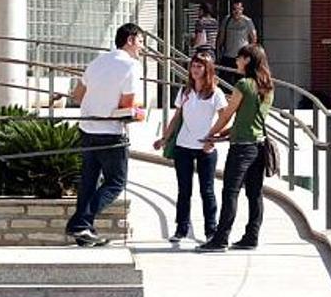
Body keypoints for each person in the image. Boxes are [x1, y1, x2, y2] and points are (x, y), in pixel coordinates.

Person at [65, 23, 143, 247]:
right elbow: (127, 104)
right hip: (111, 132)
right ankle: (81, 222)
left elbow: (78, 95)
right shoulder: (131, 66)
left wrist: (97, 104)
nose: (141, 47)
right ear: (129, 40)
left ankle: (85, 233)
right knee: (116, 183)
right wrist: (135, 112)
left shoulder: (98, 61)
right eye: (140, 41)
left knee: (89, 181)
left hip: (88, 128)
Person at [196, 44, 274, 252]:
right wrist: (227, 132)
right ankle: (251, 236)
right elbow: (251, 120)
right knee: (255, 193)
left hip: (241, 149)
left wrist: (210, 134)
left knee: (230, 191)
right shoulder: (267, 87)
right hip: (258, 145)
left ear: (248, 59)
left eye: (239, 58)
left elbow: (228, 113)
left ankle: (220, 238)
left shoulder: (243, 84)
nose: (237, 62)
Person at [153, 52, 227, 242]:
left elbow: (224, 118)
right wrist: (164, 138)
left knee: (207, 190)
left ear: (207, 69)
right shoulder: (185, 92)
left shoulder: (215, 93)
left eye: (199, 66)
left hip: (205, 148)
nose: (195, 70)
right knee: (184, 190)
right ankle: (181, 229)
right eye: (193, 66)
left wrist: (213, 139)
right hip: (183, 146)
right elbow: (177, 117)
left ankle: (211, 230)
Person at [216, 0, 257, 85]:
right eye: (234, 9)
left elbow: (253, 38)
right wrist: (218, 51)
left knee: (242, 82)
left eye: (238, 9)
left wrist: (251, 54)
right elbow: (221, 38)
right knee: (226, 82)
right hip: (228, 56)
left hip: (242, 57)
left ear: (242, 9)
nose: (236, 12)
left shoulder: (247, 21)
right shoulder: (227, 20)